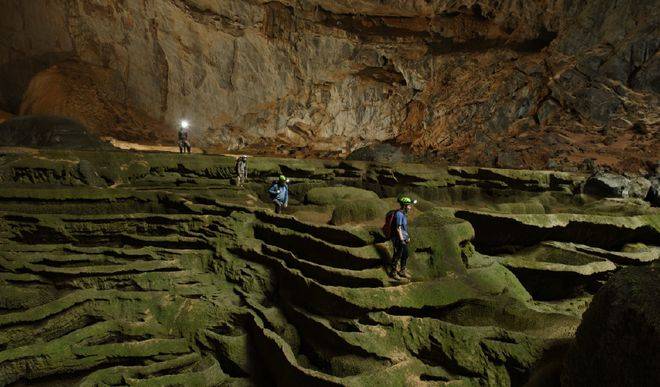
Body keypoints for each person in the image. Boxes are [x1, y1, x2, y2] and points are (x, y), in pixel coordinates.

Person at [388, 196, 416, 280]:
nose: (410, 207)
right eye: (409, 205)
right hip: (398, 238)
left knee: (405, 254)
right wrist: (401, 240)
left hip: (403, 238)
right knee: (397, 255)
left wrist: (407, 237)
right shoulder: (399, 214)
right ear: (404, 206)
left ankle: (402, 271)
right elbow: (398, 228)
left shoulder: (403, 214)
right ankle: (393, 272)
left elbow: (403, 228)